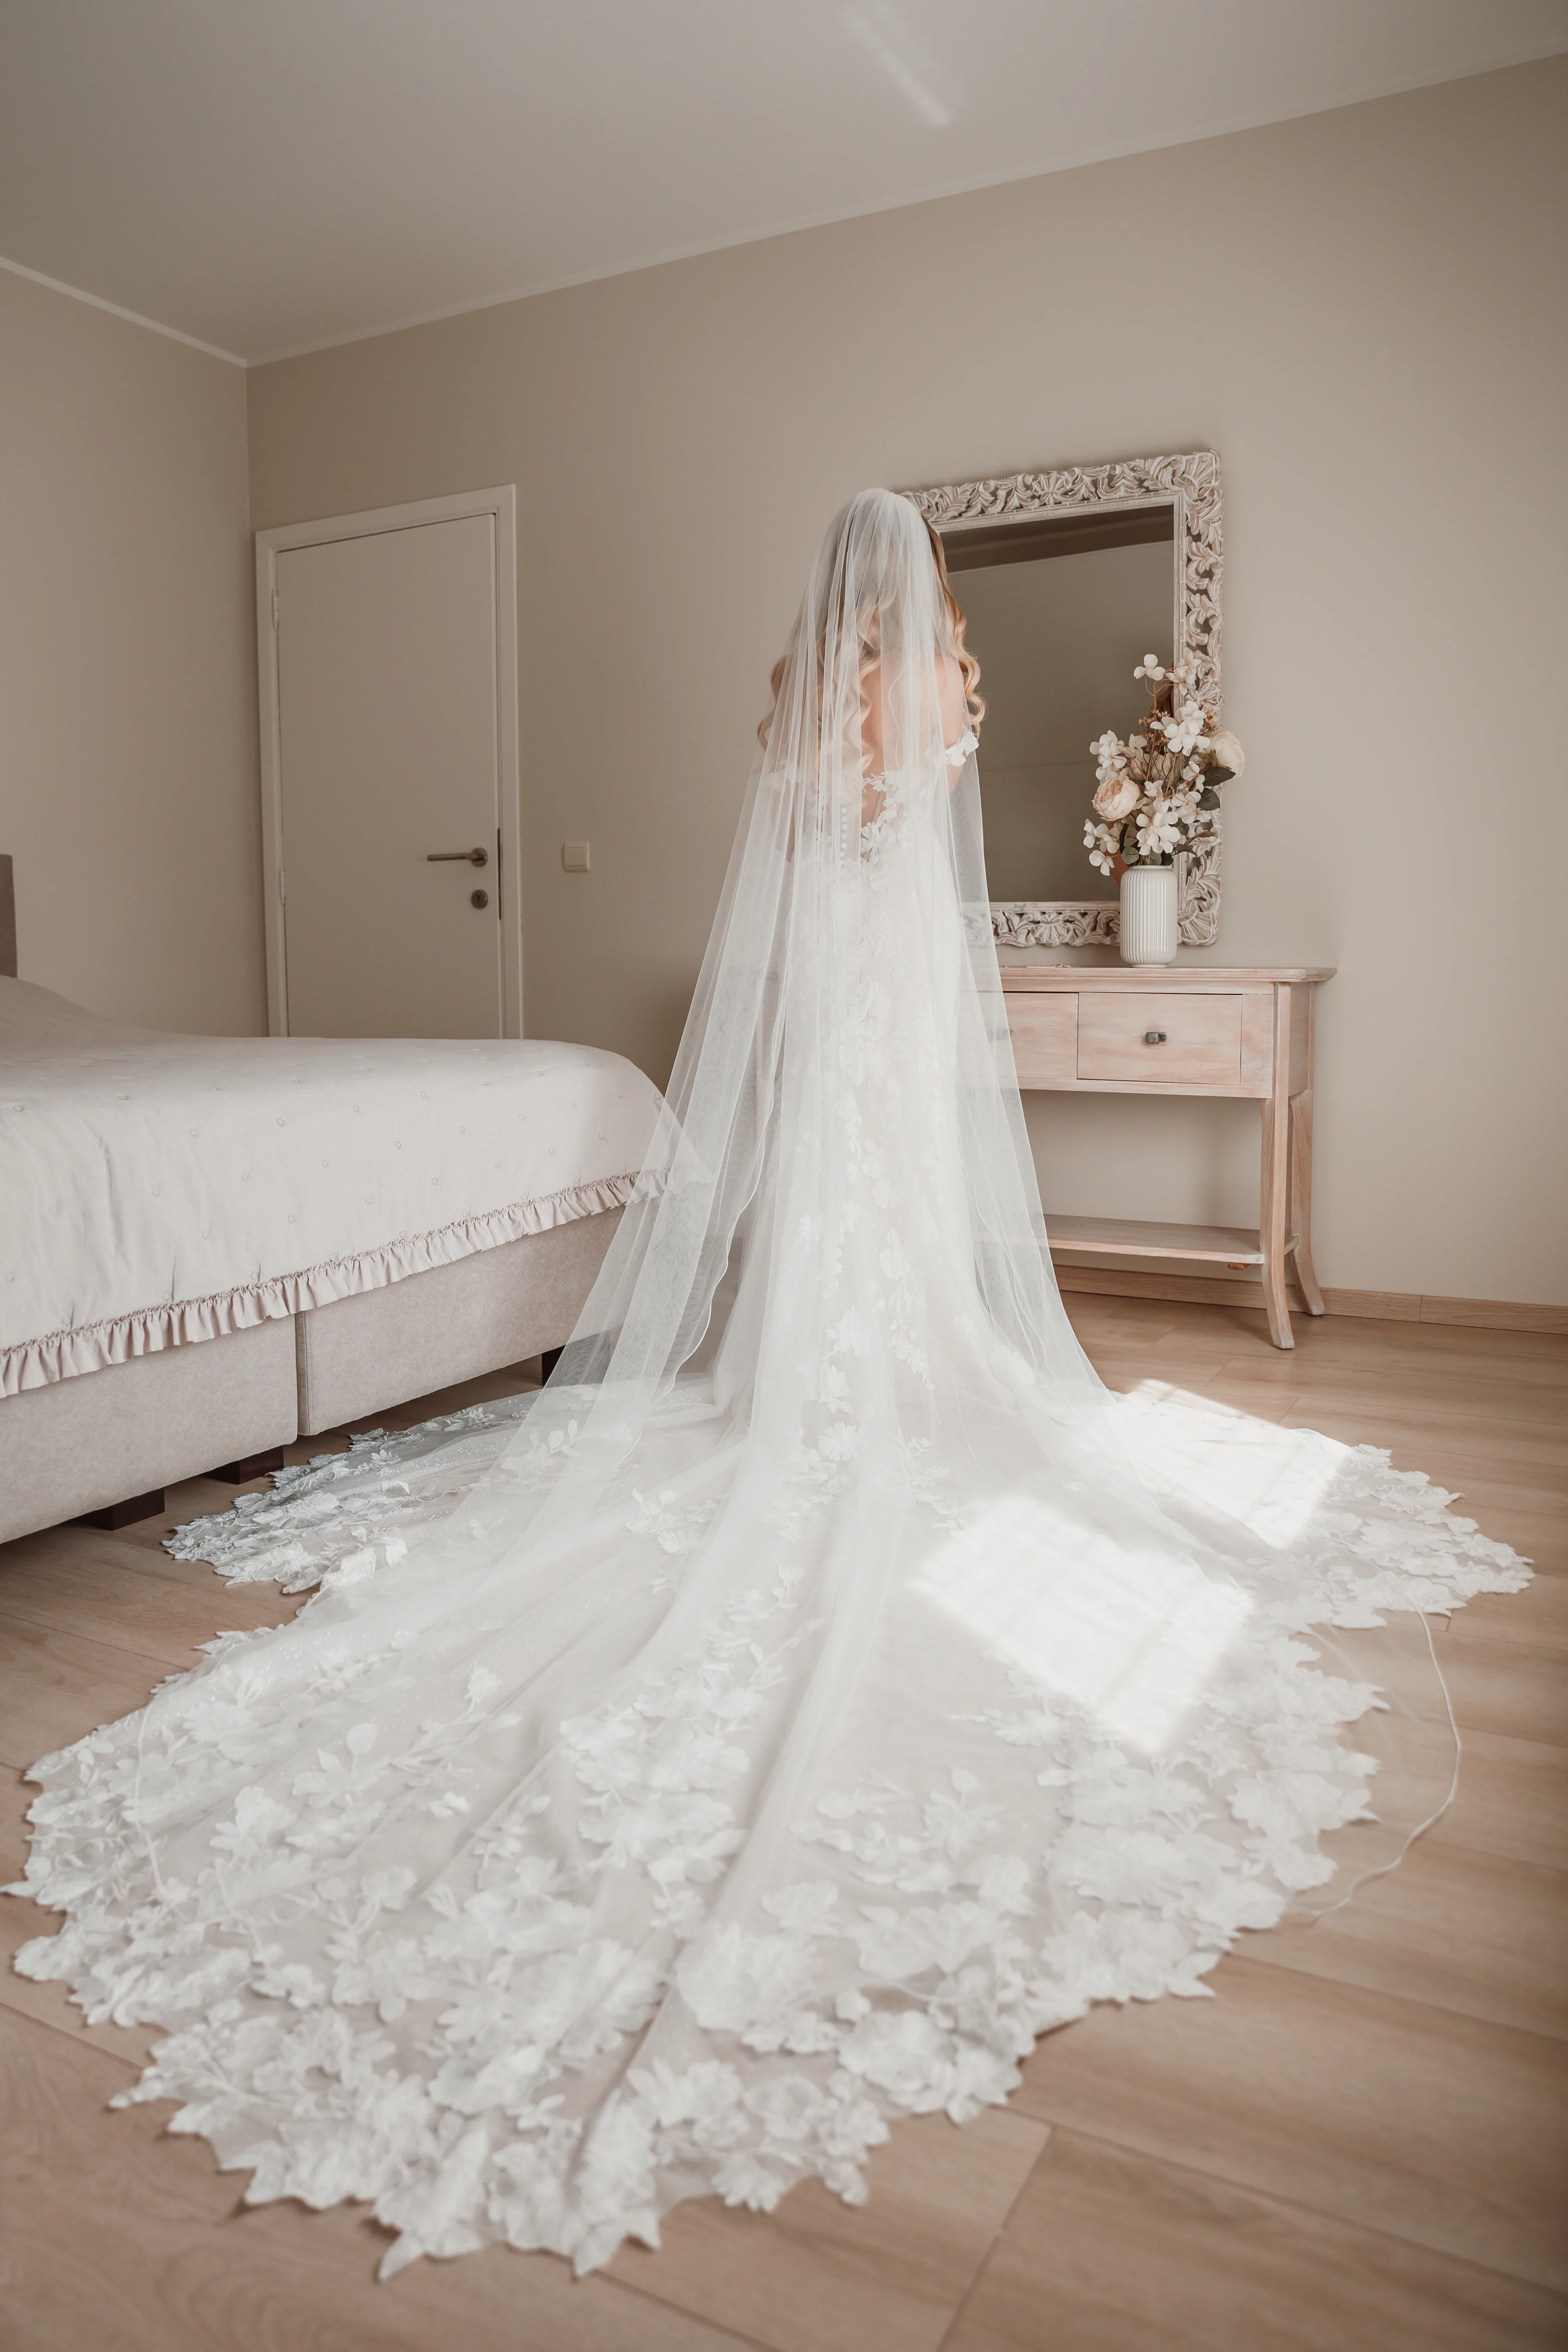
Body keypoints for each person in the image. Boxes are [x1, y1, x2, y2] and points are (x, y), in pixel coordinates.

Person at [10, 489, 1526, 2278]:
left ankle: (805, 1387)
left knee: (823, 1213)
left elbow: (795, 833)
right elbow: (935, 852)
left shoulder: (798, 690)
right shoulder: (944, 686)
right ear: (926, 585)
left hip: (831, 997)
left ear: (827, 584)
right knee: (900, 1218)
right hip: (903, 1003)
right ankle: (873, 1385)